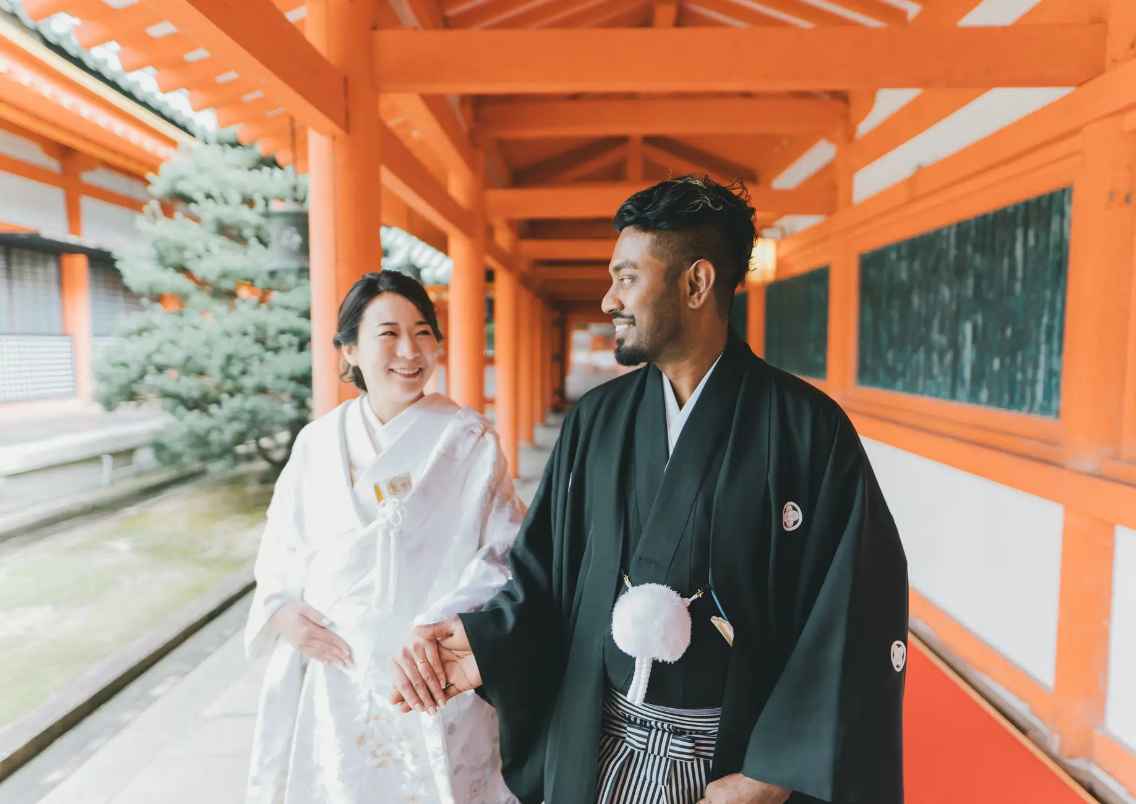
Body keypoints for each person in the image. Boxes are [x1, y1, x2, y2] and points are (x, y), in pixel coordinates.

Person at [401, 177, 909, 804]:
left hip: (731, 765)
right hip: (601, 748)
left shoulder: (806, 429)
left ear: (697, 284)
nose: (609, 298)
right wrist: (483, 644)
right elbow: (544, 575)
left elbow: (855, 608)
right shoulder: (597, 420)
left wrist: (773, 771)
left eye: (627, 277)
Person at [244, 271, 523, 804]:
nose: (410, 351)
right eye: (389, 334)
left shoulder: (468, 440)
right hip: (334, 671)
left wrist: (439, 628)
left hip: (427, 669)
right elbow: (280, 545)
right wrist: (281, 611)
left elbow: (503, 552)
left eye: (423, 333)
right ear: (349, 349)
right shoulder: (317, 443)